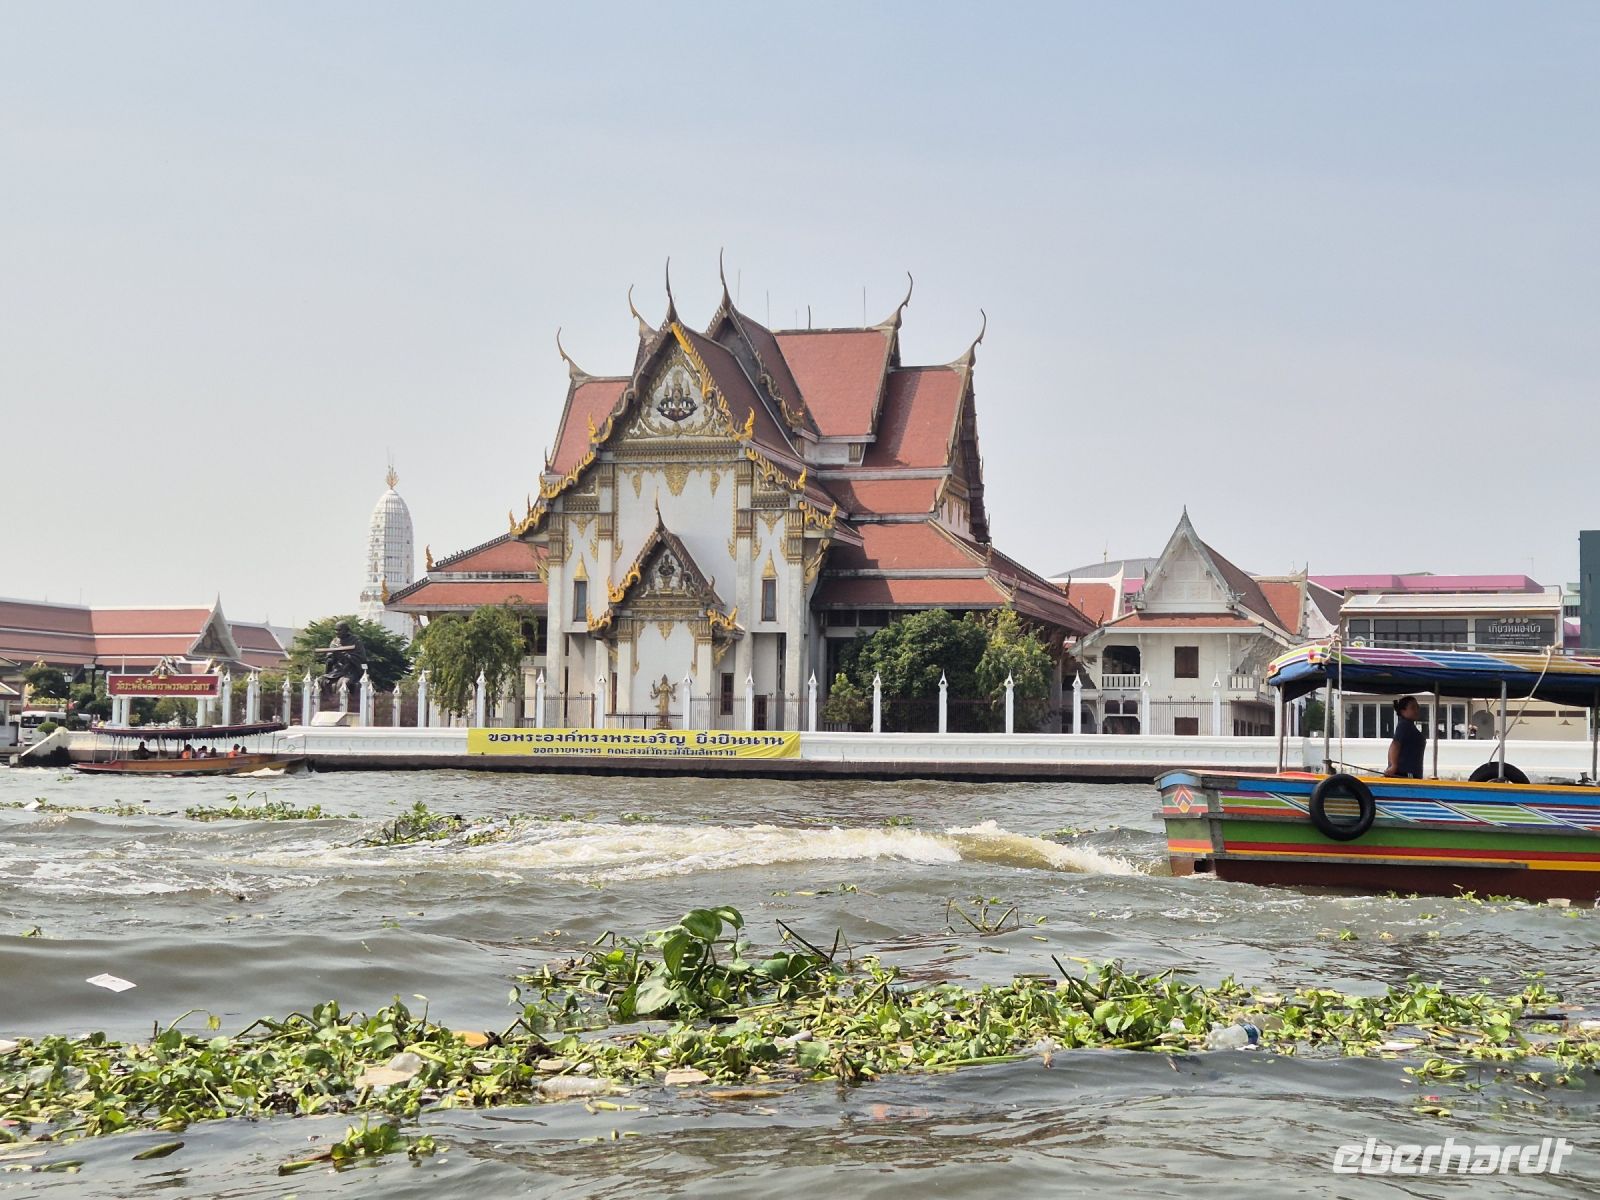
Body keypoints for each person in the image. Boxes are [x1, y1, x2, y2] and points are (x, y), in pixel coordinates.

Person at [1384, 695, 1426, 778]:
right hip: (1405, 774)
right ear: (1403, 711)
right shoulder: (1404, 725)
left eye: (1417, 707)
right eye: (1413, 707)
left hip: (1410, 773)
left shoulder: (1409, 726)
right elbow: (1395, 745)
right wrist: (1393, 766)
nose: (1416, 710)